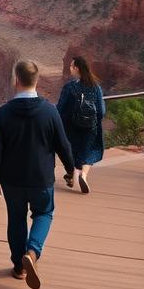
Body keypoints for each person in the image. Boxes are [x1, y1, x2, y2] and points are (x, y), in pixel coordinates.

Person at [0, 59, 74, 289]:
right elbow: (63, 145)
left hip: (12, 180)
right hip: (41, 178)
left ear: (16, 81)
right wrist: (70, 168)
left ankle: (19, 266)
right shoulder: (50, 112)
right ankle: (32, 252)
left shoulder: (3, 114)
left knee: (16, 219)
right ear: (37, 81)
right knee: (44, 213)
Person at [56, 55, 105, 194]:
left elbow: (60, 108)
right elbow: (101, 110)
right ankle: (83, 174)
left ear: (76, 68)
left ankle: (72, 174)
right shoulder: (96, 87)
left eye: (71, 66)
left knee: (70, 150)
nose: (69, 68)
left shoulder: (70, 87)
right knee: (90, 150)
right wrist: (95, 122)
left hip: (71, 127)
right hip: (91, 127)